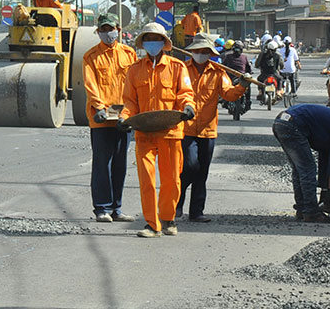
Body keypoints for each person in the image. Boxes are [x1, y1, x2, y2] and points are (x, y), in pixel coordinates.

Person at [118, 22, 196, 238]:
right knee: (147, 180)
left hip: (170, 131)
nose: (152, 42)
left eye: (156, 38)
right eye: (148, 39)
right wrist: (124, 118)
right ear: (143, 43)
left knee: (172, 180)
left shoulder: (177, 68)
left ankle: (168, 218)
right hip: (144, 132)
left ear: (164, 42)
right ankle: (152, 224)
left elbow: (185, 94)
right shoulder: (134, 70)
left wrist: (188, 108)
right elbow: (130, 102)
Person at [177, 33, 251, 222]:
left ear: (210, 53)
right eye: (197, 51)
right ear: (192, 52)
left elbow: (229, 94)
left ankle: (196, 212)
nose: (200, 54)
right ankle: (176, 204)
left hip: (208, 130)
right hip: (186, 128)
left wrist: (242, 85)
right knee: (189, 167)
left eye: (204, 51)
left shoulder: (218, 72)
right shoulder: (183, 70)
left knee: (202, 172)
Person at [83, 13, 138, 223]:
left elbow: (134, 83)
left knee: (120, 164)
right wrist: (98, 107)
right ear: (98, 32)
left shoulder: (129, 53)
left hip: (123, 115)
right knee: (101, 164)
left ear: (119, 29)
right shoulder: (90, 56)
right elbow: (91, 84)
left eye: (111, 29)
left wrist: (133, 111)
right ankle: (102, 209)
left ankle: (117, 208)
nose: (108, 33)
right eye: (103, 30)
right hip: (102, 116)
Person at [223, 40, 252, 112]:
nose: (237, 51)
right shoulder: (242, 57)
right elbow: (248, 68)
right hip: (232, 79)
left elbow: (223, 66)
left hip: (239, 78)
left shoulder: (229, 56)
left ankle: (247, 102)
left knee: (248, 87)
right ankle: (247, 102)